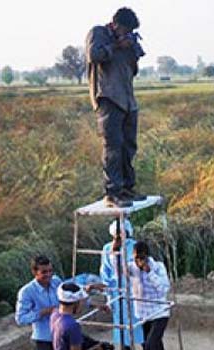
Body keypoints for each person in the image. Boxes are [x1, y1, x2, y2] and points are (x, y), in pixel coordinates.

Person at [86, 7, 147, 208]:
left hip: (128, 100)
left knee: (128, 146)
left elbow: (132, 69)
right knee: (113, 146)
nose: (126, 34)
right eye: (125, 30)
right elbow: (94, 55)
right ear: (115, 24)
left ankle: (127, 189)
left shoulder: (125, 40)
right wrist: (117, 44)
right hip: (108, 98)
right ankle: (112, 193)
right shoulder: (99, 33)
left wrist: (132, 50)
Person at [129, 241, 173, 350]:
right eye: (136, 258)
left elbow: (164, 288)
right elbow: (116, 269)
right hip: (143, 314)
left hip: (159, 312)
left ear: (147, 256)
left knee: (150, 345)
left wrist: (149, 272)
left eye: (141, 257)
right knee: (155, 347)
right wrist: (115, 247)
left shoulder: (158, 267)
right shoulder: (131, 267)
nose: (138, 261)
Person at [100, 219, 144, 350]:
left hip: (133, 289)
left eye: (121, 234)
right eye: (116, 235)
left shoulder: (135, 246)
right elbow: (105, 271)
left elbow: (138, 268)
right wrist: (108, 291)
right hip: (116, 290)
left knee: (138, 321)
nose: (118, 238)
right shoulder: (107, 248)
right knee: (120, 322)